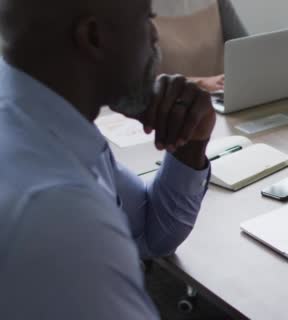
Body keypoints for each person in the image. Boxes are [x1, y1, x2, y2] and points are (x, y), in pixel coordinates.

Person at [0, 0, 216, 318]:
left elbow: (150, 236)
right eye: (147, 20)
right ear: (94, 37)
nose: (156, 36)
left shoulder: (47, 121)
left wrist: (190, 145)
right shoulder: (60, 214)